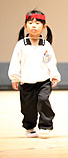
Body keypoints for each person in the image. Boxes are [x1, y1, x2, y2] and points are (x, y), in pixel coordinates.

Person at [8, 10, 61, 139]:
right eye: (30, 23)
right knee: (28, 107)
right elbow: (15, 61)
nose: (33, 25)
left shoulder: (45, 45)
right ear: (25, 26)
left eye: (37, 23)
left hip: (43, 81)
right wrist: (15, 77)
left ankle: (45, 126)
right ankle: (30, 127)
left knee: (43, 100)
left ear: (44, 27)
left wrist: (54, 75)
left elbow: (51, 61)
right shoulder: (21, 45)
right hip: (26, 82)